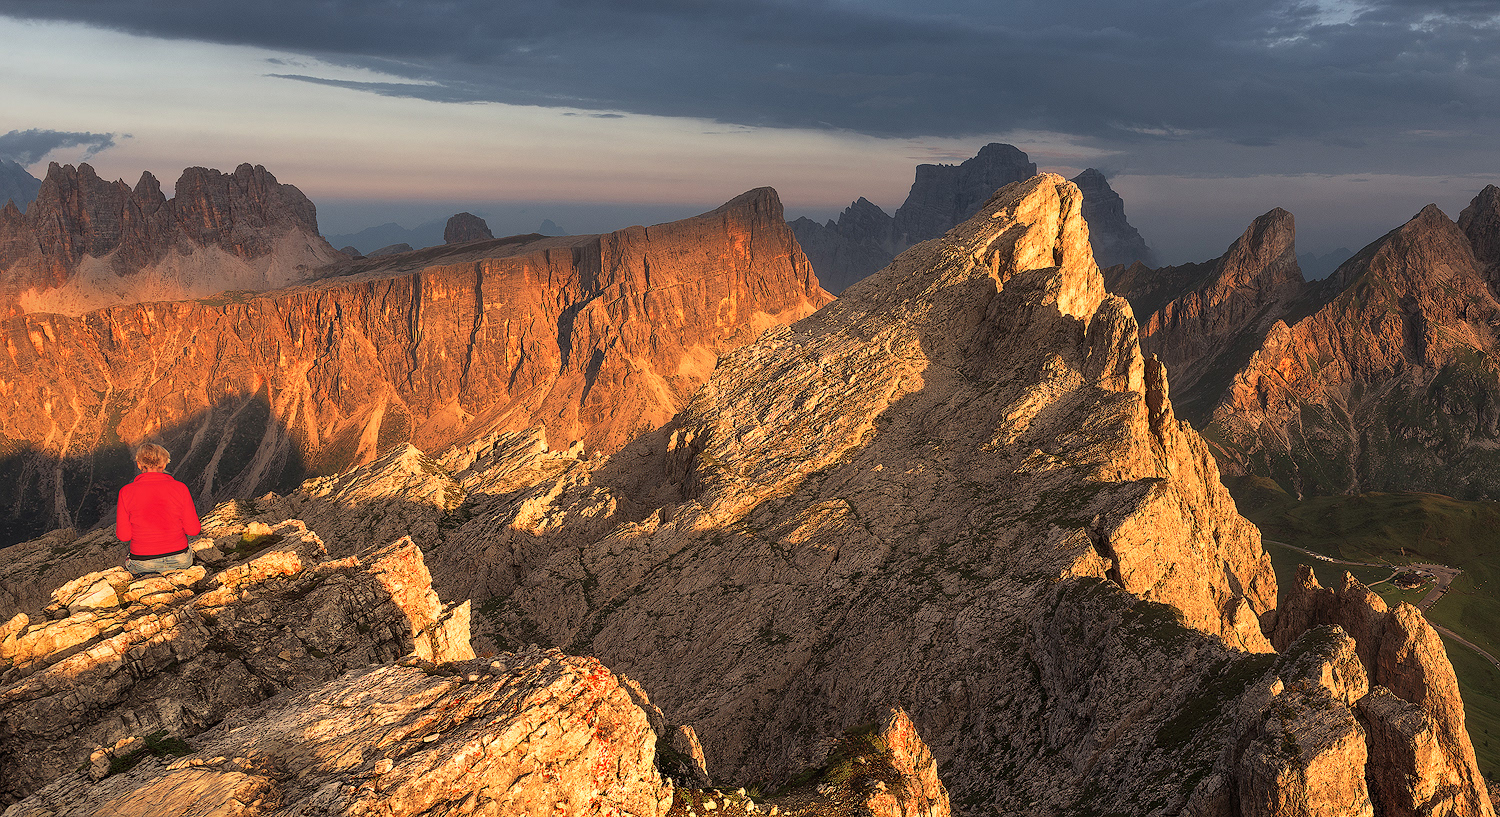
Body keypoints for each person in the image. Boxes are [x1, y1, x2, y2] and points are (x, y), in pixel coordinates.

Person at [116, 443, 201, 576]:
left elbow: (124, 536)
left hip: (142, 563)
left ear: (139, 464)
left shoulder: (125, 492)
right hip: (180, 560)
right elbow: (194, 530)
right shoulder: (180, 488)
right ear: (165, 464)